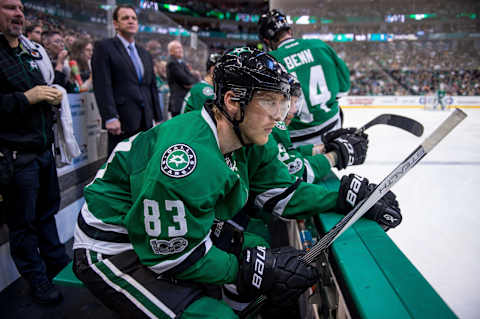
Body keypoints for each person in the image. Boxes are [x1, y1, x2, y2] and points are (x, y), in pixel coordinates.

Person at [72, 47, 402, 318]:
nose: (279, 115)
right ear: (233, 101)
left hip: (167, 229)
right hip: (115, 244)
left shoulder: (252, 136)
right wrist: (252, 271)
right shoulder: (186, 161)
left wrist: (345, 197)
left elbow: (281, 195)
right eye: (269, 102)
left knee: (255, 250)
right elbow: (170, 255)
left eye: (283, 102)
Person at [0, 0, 70, 304]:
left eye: (20, 8)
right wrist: (26, 98)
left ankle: (57, 264)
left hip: (42, 150)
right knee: (23, 223)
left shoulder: (29, 50)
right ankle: (37, 280)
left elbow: (43, 90)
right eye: (9, 7)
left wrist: (52, 96)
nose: (18, 14)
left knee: (46, 214)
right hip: (15, 155)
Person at [258, 9, 350, 147]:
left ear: (267, 40)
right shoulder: (320, 45)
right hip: (333, 129)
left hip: (298, 141)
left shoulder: (271, 61)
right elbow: (344, 88)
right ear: (289, 30)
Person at [91, 4, 162, 154]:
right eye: (125, 18)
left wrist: (158, 117)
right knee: (121, 166)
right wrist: (110, 117)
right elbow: (102, 85)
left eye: (134, 18)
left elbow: (152, 87)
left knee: (144, 163)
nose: (131, 21)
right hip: (122, 120)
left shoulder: (144, 53)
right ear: (115, 24)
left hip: (146, 120)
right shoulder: (104, 47)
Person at [166, 40, 198, 117]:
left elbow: (192, 79)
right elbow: (186, 80)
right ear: (171, 51)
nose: (181, 50)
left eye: (181, 48)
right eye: (177, 48)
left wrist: (191, 81)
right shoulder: (172, 63)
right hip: (178, 102)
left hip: (184, 100)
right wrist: (190, 81)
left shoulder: (182, 63)